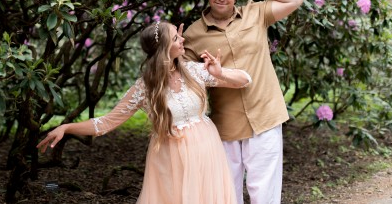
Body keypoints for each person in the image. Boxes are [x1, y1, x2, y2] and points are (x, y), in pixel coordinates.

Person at [37, 21, 252, 204]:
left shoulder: (194, 71)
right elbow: (105, 123)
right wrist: (66, 127)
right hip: (170, 156)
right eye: (176, 38)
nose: (182, 39)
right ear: (164, 48)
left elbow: (245, 80)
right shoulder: (144, 88)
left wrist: (220, 73)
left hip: (206, 147)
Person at [182, 0, 304, 204]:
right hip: (225, 124)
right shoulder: (193, 34)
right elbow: (183, 77)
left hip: (265, 115)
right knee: (227, 195)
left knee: (265, 195)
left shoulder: (255, 13)